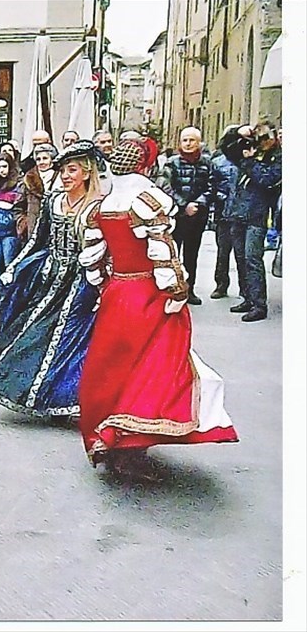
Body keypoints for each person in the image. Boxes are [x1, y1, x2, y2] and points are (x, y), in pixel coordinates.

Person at [76, 140, 238, 477]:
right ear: (145, 166)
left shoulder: (101, 207)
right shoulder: (147, 203)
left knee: (114, 367)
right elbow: (163, 254)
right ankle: (126, 441)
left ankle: (111, 435)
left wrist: (107, 286)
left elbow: (93, 260)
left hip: (117, 292)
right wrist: (178, 291)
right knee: (156, 367)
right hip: (148, 293)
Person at [0, 140, 103, 420]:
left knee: (69, 339)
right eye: (63, 170)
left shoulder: (97, 207)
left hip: (81, 284)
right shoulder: (53, 201)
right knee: (30, 330)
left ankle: (61, 398)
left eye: (72, 170)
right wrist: (14, 266)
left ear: (86, 173)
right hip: (48, 278)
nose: (65, 176)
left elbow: (104, 250)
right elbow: (38, 240)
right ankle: (31, 392)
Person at [226, 123, 282, 323]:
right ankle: (247, 298)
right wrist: (238, 132)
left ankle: (259, 304)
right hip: (238, 212)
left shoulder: (278, 158)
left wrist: (250, 163)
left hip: (257, 216)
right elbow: (227, 148)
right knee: (240, 258)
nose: (263, 141)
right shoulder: (248, 151)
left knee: (252, 259)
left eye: (266, 136)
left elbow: (267, 179)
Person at [156, 126, 215, 306]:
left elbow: (212, 186)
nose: (188, 144)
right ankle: (172, 289)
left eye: (192, 140)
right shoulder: (171, 163)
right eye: (185, 140)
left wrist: (198, 203)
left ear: (199, 143)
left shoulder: (207, 163)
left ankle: (190, 289)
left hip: (197, 217)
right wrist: (183, 205)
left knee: (192, 255)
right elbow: (164, 186)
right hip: (176, 217)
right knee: (172, 254)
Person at [209, 126, 245, 300]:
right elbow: (212, 185)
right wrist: (220, 197)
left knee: (242, 253)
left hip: (241, 214)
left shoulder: (246, 160)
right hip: (223, 213)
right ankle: (221, 284)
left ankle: (245, 288)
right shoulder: (218, 162)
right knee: (223, 251)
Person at [0, 153, 24, 308]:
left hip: (10, 232)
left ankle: (9, 296)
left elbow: (19, 206)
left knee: (9, 263)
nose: (2, 170)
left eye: (5, 166)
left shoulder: (18, 183)